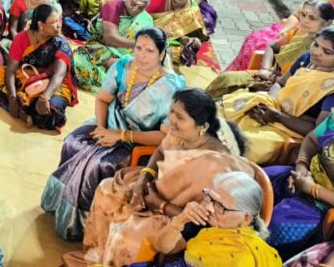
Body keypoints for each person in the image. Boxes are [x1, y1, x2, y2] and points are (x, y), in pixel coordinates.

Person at [63, 88, 253, 267]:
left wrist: (158, 203)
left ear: (202, 127)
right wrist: (142, 180)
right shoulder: (182, 133)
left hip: (177, 219)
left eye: (180, 117)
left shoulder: (214, 166)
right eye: (171, 111)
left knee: (128, 230)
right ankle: (98, 256)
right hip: (153, 191)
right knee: (106, 189)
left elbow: (204, 219)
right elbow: (161, 151)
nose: (172, 120)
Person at [41, 27, 186, 241]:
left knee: (98, 164)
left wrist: (121, 135)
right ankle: (59, 205)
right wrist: (101, 129)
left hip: (137, 141)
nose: (141, 56)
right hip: (107, 123)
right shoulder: (122, 66)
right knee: (73, 142)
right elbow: (102, 100)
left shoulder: (171, 87)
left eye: (150, 51)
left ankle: (84, 226)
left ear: (162, 54)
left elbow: (164, 136)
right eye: (138, 48)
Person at [219, 28, 334, 165]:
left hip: (290, 131)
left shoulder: (331, 88)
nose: (316, 52)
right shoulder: (306, 59)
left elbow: (316, 131)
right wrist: (270, 104)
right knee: (220, 117)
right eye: (315, 44)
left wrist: (278, 116)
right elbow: (279, 84)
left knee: (242, 145)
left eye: (327, 52)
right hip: (271, 111)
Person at [154, 171, 280, 267]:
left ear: (246, 218)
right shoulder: (209, 224)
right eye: (209, 197)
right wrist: (180, 220)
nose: (209, 207)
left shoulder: (241, 258)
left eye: (219, 205)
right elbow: (163, 247)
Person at [72, 0, 153, 90]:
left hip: (127, 55)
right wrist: (138, 44)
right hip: (100, 47)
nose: (135, 9)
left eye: (141, 7)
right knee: (75, 64)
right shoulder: (113, 7)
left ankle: (119, 68)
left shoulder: (146, 19)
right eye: (133, 3)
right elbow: (110, 38)